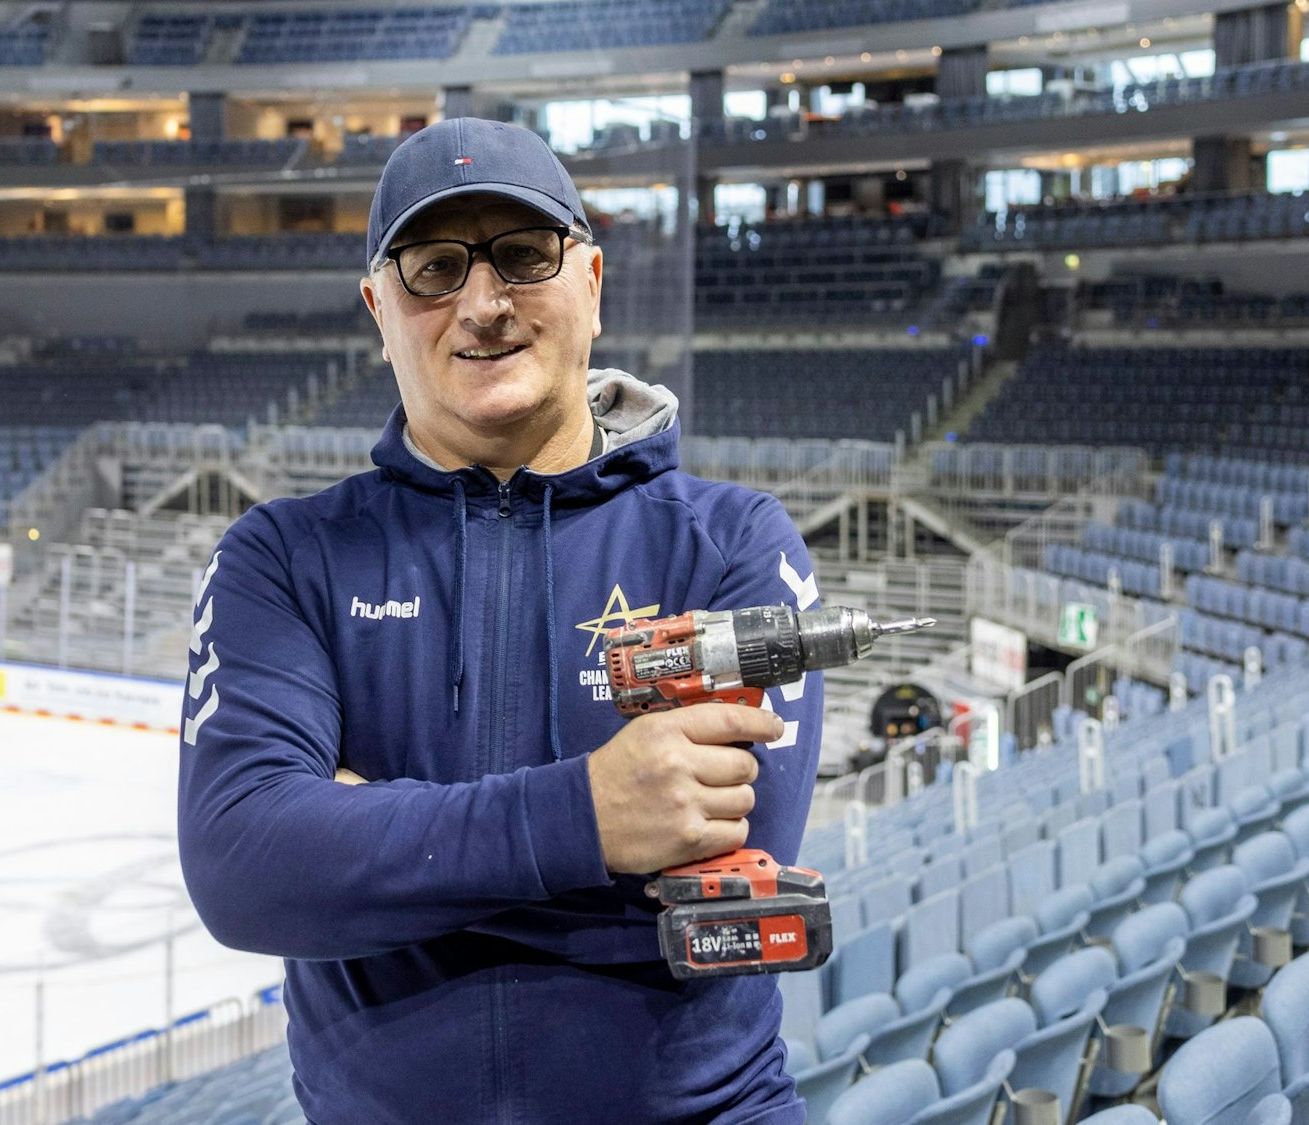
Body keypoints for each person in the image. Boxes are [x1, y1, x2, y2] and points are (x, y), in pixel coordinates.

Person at [177, 116, 824, 1125]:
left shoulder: (733, 543)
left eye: (524, 257)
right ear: (377, 308)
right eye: (434, 268)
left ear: (593, 284)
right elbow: (246, 869)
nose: (482, 304)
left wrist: (367, 828)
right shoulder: (283, 557)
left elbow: (723, 869)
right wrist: (591, 818)